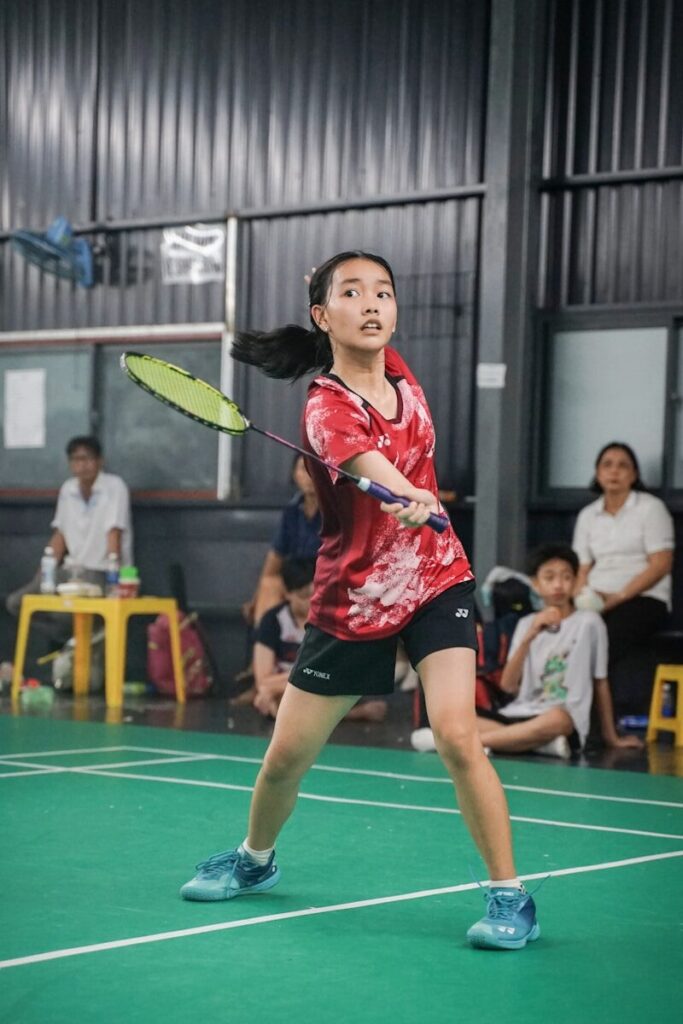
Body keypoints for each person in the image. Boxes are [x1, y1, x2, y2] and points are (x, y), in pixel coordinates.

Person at [180, 250, 539, 951]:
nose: (372, 304)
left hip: (437, 579)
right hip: (355, 602)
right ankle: (254, 861)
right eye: (352, 293)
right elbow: (368, 465)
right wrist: (407, 493)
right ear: (324, 316)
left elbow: (404, 466)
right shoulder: (324, 408)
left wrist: (418, 504)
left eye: (382, 291)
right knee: (286, 757)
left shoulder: (398, 369)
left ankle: (509, 896)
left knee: (458, 735)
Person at [476, 543, 643, 757]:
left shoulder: (590, 622)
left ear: (575, 583)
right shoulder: (527, 624)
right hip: (523, 711)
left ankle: (474, 744)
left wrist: (612, 738)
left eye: (566, 577)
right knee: (464, 717)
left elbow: (600, 681)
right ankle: (540, 745)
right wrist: (530, 635)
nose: (558, 585)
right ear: (536, 584)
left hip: (563, 717)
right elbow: (508, 686)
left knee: (558, 719)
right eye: (549, 577)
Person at [572, 442, 674, 686]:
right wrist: (581, 600)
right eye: (607, 465)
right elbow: (582, 569)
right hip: (596, 600)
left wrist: (617, 597)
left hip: (643, 598)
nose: (614, 471)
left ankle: (599, 715)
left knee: (605, 641)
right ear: (597, 474)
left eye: (623, 466)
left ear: (634, 475)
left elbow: (661, 564)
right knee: (566, 632)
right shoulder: (588, 515)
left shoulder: (650, 508)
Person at [6, 435, 133, 626]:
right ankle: (71, 643)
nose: (82, 465)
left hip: (101, 572)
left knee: (67, 615)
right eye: (76, 459)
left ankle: (81, 640)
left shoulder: (114, 487)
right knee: (16, 603)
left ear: (100, 461)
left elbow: (114, 534)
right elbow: (60, 536)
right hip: (71, 572)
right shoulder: (68, 489)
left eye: (88, 458)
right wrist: (41, 577)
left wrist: (113, 582)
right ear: (70, 463)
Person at [253, 555, 386, 723]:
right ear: (287, 594)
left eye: (315, 594)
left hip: (323, 689)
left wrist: (276, 686)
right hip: (292, 689)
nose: (310, 602)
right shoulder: (272, 620)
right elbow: (263, 680)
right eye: (303, 596)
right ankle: (356, 714)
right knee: (268, 694)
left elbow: (337, 672)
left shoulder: (333, 619)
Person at [243, 454, 321, 628]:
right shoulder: (291, 513)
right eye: (303, 469)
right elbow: (273, 564)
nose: (309, 476)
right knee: (269, 585)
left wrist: (309, 590)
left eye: (315, 469)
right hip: (295, 578)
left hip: (323, 578)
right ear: (294, 475)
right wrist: (255, 601)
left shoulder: (335, 511)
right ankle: (264, 649)